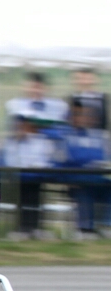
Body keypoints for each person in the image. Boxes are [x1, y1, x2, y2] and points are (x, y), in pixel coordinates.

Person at [0, 116, 57, 239]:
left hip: (33, 178)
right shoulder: (9, 143)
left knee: (31, 189)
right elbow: (7, 162)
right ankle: (25, 228)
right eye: (19, 125)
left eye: (25, 125)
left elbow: (45, 162)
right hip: (13, 179)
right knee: (23, 188)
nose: (22, 129)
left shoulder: (41, 142)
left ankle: (31, 228)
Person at [61, 98, 109, 238]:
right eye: (79, 114)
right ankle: (85, 228)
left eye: (87, 114)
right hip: (77, 180)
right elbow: (68, 160)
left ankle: (107, 225)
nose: (83, 118)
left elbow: (104, 158)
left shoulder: (100, 137)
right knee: (84, 188)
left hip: (99, 179)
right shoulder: (66, 136)